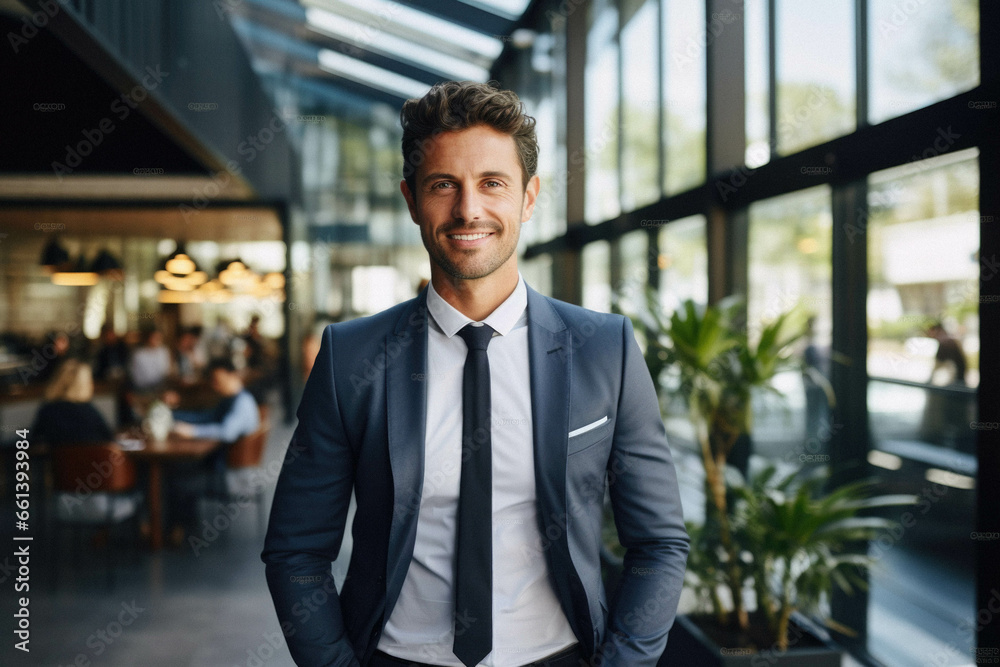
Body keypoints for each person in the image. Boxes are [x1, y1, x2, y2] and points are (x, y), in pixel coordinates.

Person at [262, 81, 689, 667]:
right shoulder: (351, 357)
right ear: (412, 199)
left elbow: (658, 542)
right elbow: (296, 551)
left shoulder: (604, 349)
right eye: (444, 185)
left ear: (529, 197)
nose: (469, 209)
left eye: (493, 184)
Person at [166, 358, 260, 442]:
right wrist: (172, 415)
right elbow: (208, 417)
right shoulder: (231, 399)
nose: (215, 386)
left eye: (217, 381)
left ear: (232, 375)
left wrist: (193, 431)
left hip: (228, 460)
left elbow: (227, 433)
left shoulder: (243, 402)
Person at [31, 359, 114, 445]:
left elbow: (35, 442)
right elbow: (109, 442)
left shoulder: (46, 411)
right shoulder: (90, 412)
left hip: (59, 458)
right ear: (84, 384)